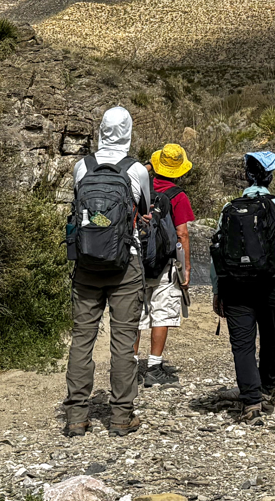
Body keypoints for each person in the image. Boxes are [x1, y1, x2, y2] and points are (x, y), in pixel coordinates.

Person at [62, 106, 151, 438]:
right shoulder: (137, 170)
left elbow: (82, 212)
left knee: (82, 340)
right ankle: (120, 416)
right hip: (125, 265)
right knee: (122, 341)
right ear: (128, 132)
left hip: (86, 264)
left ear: (100, 130)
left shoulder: (81, 166)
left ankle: (75, 417)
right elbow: (144, 214)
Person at [210, 151, 275, 423]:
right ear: (270, 177)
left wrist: (217, 288)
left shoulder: (230, 207)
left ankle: (251, 401)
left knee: (241, 345)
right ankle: (268, 385)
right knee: (271, 334)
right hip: (272, 281)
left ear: (246, 175)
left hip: (235, 284)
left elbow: (217, 250)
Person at [134, 143, 196, 387]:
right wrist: (186, 268)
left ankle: (130, 367)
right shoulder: (178, 196)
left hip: (137, 260)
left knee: (136, 314)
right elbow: (182, 234)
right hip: (165, 264)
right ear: (179, 170)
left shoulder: (139, 186)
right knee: (161, 313)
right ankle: (154, 367)